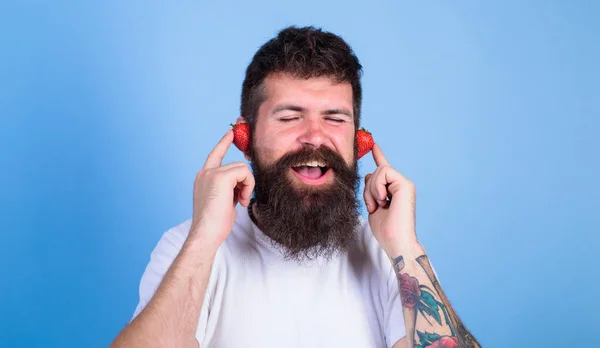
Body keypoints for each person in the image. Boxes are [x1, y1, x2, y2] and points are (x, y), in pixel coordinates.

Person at [110, 26, 480, 348]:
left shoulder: (390, 257)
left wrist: (405, 246)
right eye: (290, 117)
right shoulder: (186, 248)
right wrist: (204, 236)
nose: (314, 137)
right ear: (246, 136)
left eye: (335, 118)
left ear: (359, 140)